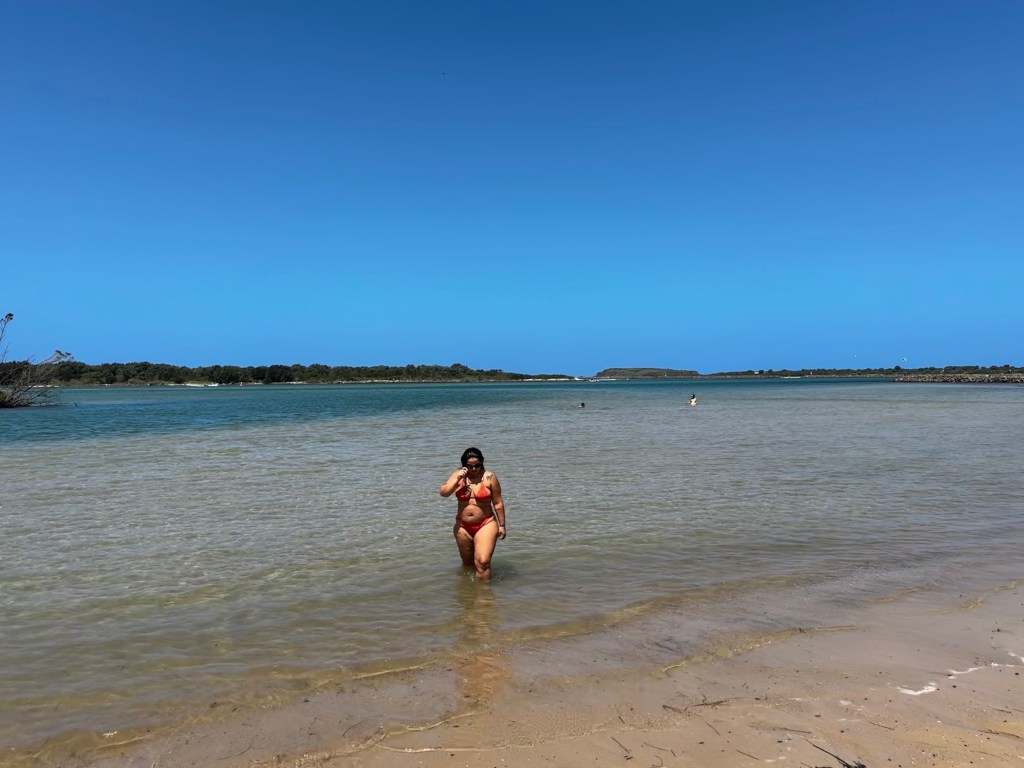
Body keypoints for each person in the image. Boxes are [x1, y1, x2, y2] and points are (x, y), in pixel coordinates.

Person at [439, 447, 506, 580]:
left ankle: (484, 591)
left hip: (486, 523)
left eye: (477, 465)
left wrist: (502, 525)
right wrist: (458, 478)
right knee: (468, 564)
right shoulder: (457, 475)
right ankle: (469, 590)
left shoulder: (489, 477)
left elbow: (498, 503)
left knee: (483, 562)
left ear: (482, 463)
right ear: (464, 465)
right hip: (463, 527)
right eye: (470, 466)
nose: (474, 469)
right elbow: (444, 493)